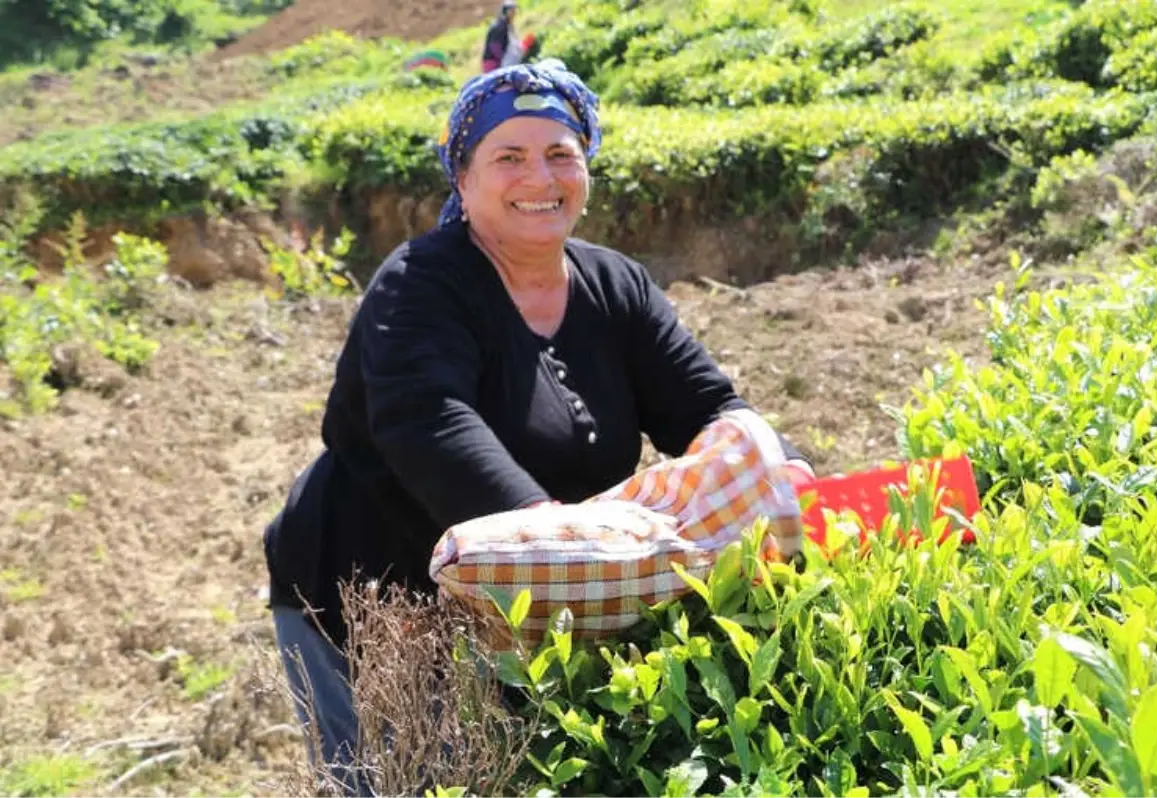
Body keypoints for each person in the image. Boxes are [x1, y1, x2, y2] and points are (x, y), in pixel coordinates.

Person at [262, 60, 812, 794]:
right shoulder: (422, 281)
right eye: (509, 157)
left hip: (537, 596)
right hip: (375, 598)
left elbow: (707, 406)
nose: (539, 177)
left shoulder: (615, 284)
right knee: (403, 778)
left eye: (560, 154)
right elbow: (428, 419)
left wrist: (780, 470)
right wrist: (552, 532)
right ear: (463, 178)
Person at [481, 0, 525, 73]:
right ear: (506, 11)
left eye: (514, 10)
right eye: (512, 11)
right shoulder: (500, 26)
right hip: (493, 63)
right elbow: (494, 46)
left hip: (499, 62)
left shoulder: (507, 25)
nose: (514, 13)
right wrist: (504, 59)